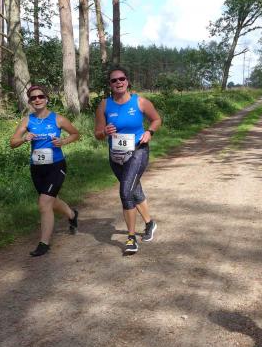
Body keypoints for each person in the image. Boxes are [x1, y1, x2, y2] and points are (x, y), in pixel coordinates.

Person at [94, 67, 162, 255]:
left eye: (121, 79)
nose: (118, 82)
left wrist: (149, 132)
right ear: (110, 84)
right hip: (116, 155)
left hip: (138, 151)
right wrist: (104, 132)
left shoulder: (140, 102)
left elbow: (156, 119)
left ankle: (131, 239)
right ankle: (150, 223)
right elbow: (97, 134)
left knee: (125, 192)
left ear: (127, 80)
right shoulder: (104, 105)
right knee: (134, 190)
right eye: (114, 80)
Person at [10, 85, 81, 257]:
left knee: (44, 203)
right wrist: (24, 138)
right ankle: (72, 215)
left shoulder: (58, 119)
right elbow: (13, 142)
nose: (37, 100)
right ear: (30, 102)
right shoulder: (27, 121)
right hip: (37, 168)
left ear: (46, 99)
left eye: (40, 96)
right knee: (51, 201)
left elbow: (75, 134)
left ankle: (44, 243)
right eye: (33, 98)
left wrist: (63, 142)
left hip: (56, 166)